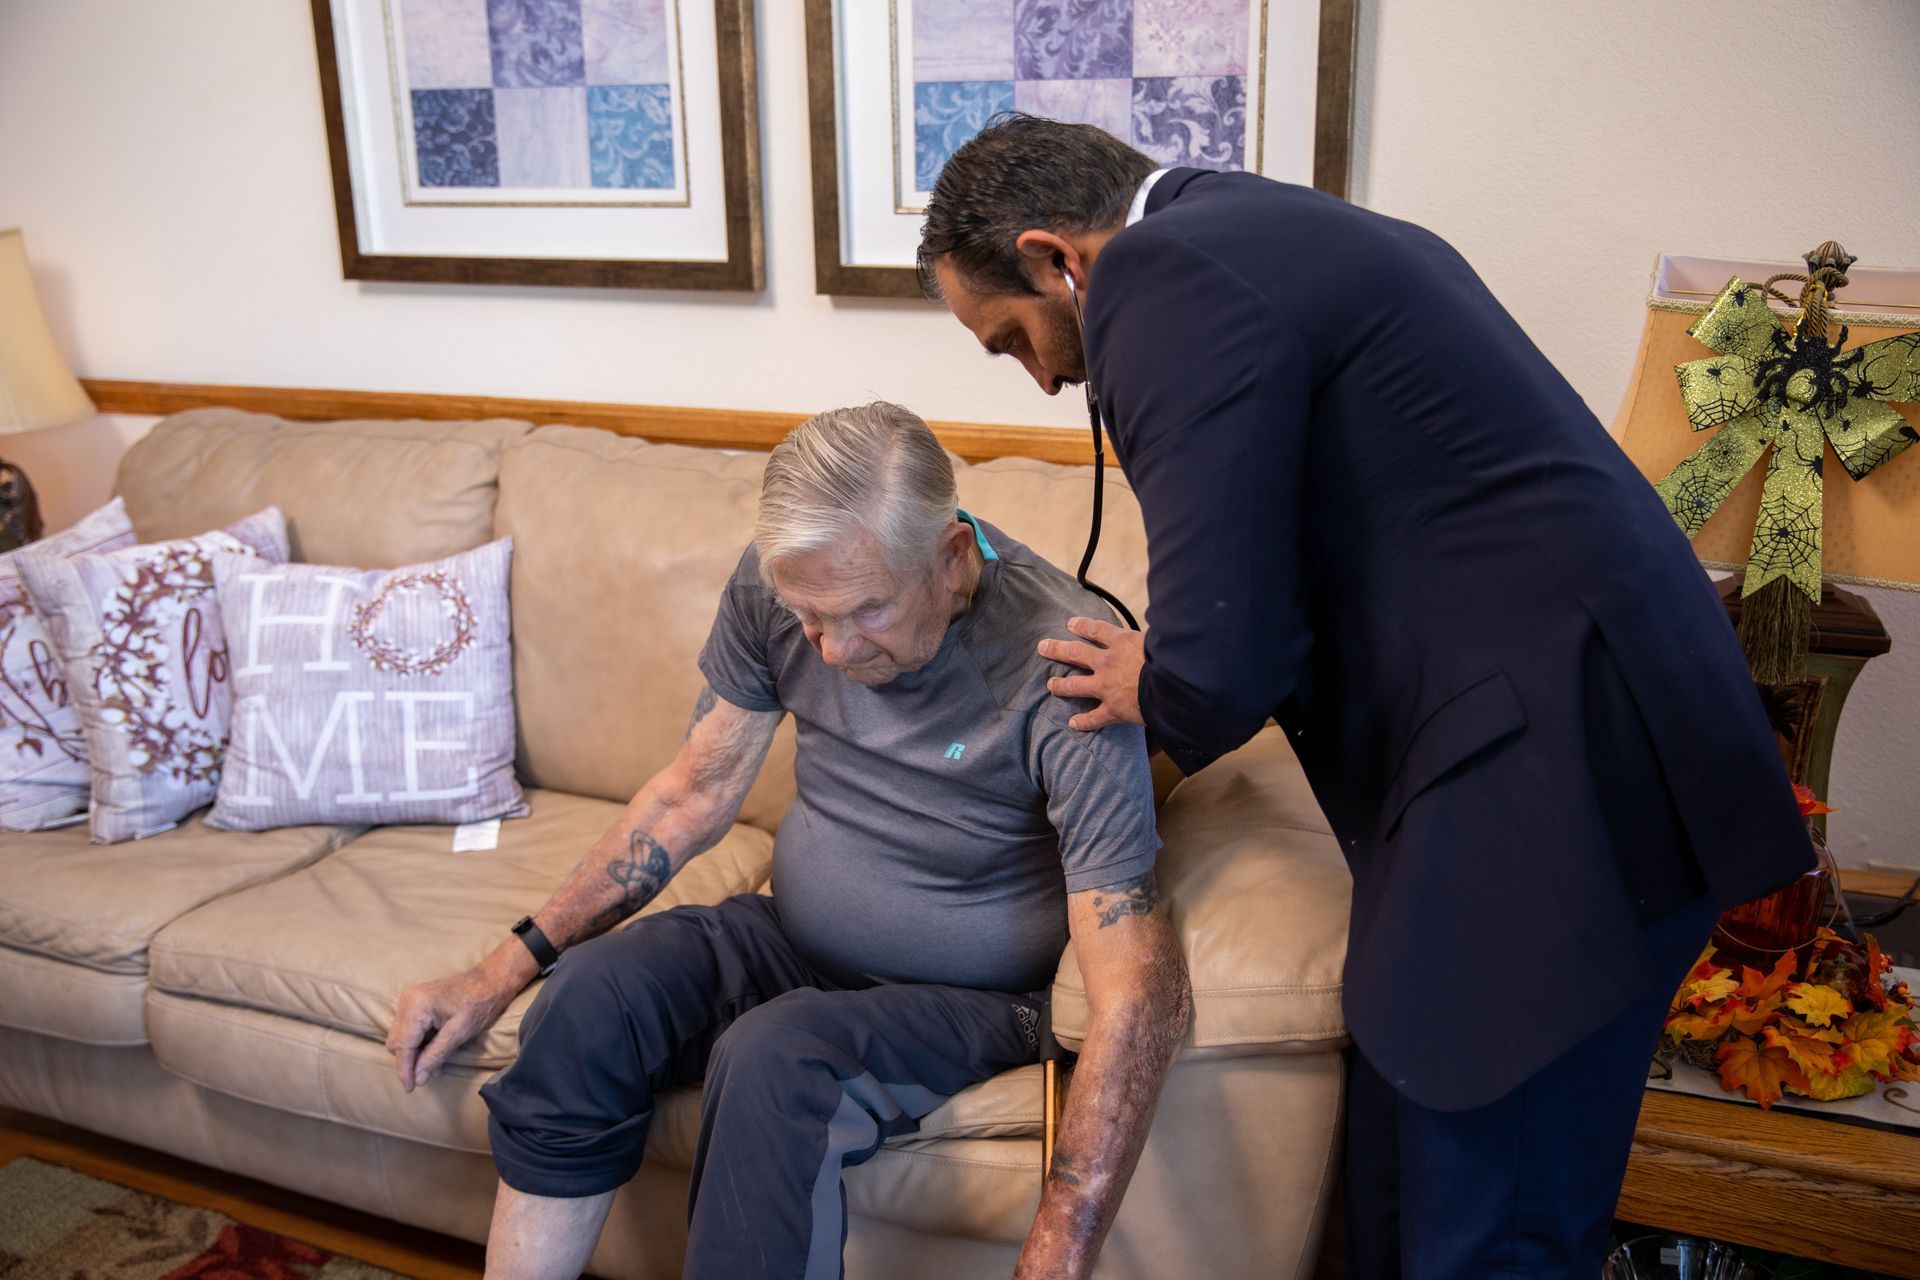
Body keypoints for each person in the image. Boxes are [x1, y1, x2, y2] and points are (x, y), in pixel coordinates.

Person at [918, 115, 1812, 1277]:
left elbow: (1224, 656)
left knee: (1493, 1224)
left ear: (1054, 257)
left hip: (1561, 765)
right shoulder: (1259, 225)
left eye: (1011, 340)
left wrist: (1160, 681)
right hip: (1561, 732)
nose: (1042, 377)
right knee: (1409, 1176)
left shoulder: (1157, 271)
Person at [385, 402, 1191, 1280]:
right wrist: (496, 970)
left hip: (980, 998)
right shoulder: (783, 582)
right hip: (794, 939)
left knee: (778, 1058)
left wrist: (1057, 1254)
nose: (833, 649)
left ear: (952, 554)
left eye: (864, 612)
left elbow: (1135, 994)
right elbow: (692, 794)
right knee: (593, 996)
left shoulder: (1072, 667)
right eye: (808, 616)